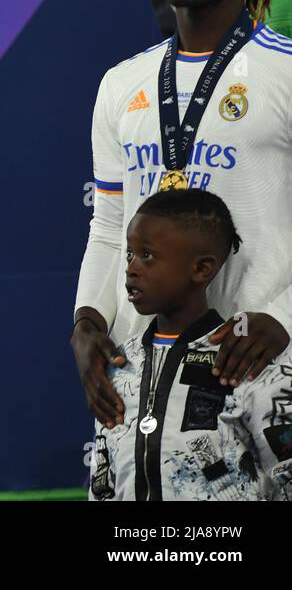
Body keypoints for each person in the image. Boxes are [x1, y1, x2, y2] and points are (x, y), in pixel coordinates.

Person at [73, 0, 292, 433]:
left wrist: (282, 315)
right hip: (140, 368)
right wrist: (88, 318)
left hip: (260, 363)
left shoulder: (285, 73)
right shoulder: (121, 84)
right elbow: (108, 224)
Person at [88, 189, 292, 500]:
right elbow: (104, 479)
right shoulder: (119, 366)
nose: (131, 268)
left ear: (202, 269)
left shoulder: (247, 362)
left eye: (147, 255)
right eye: (129, 253)